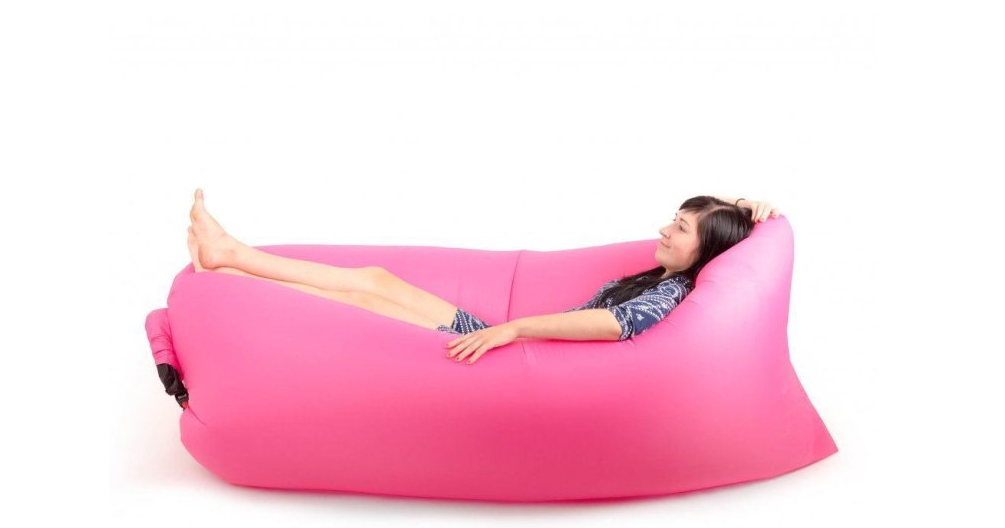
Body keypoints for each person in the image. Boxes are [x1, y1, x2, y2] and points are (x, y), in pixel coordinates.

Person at [186, 190, 780, 365]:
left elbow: (616, 325)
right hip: (499, 341)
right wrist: (741, 207)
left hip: (500, 358)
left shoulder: (672, 292)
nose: (664, 230)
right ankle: (232, 257)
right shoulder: (668, 277)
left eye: (680, 228)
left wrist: (513, 329)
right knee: (373, 280)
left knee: (361, 302)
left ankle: (233, 271)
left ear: (706, 249)